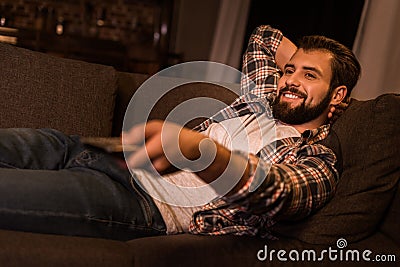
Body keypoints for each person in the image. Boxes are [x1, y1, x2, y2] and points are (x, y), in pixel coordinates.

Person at [0, 25, 361, 240]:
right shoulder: (261, 99)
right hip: (92, 150)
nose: (290, 81)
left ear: (338, 95)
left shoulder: (318, 158)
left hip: (138, 200)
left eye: (309, 76)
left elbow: (280, 194)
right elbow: (264, 37)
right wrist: (314, 60)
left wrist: (201, 150)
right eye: (290, 70)